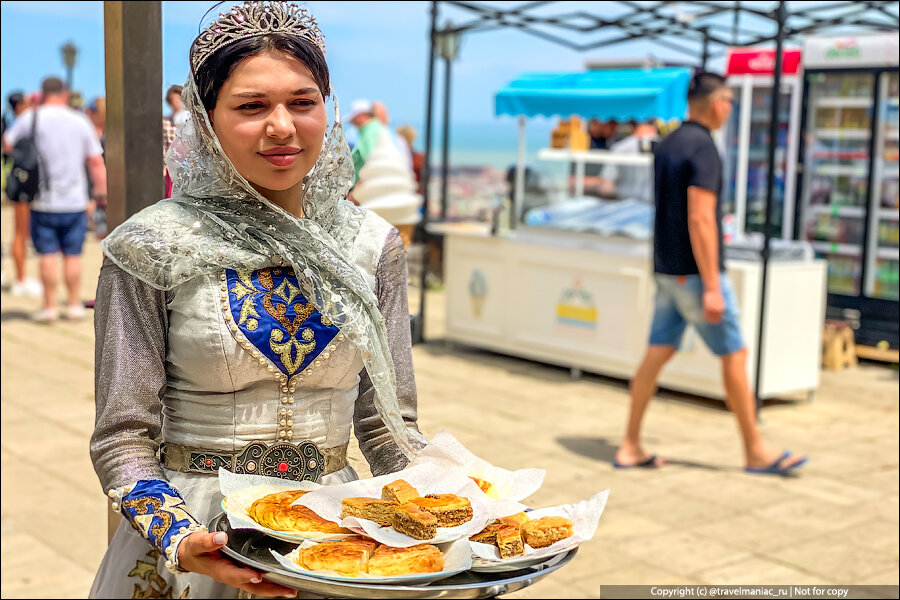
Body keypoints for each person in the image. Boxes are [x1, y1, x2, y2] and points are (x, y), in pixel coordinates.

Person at [88, 3, 426, 597]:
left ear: (329, 108)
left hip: (332, 539)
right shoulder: (151, 246)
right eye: (251, 107)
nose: (282, 126)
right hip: (197, 543)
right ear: (206, 119)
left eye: (302, 102)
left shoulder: (372, 246)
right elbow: (122, 437)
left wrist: (451, 513)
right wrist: (178, 536)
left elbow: (387, 427)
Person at [615, 72, 807, 476]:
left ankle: (630, 444)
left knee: (656, 354)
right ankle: (756, 450)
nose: (731, 109)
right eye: (730, 101)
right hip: (695, 275)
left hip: (667, 269)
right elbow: (702, 219)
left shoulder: (668, 143)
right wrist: (714, 287)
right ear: (717, 102)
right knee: (734, 355)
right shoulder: (704, 148)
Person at [2, 77, 106, 322]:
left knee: (47, 254)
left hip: (42, 199)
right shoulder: (79, 120)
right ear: (65, 94)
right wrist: (100, 196)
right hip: (75, 201)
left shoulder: (31, 118)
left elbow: (7, 144)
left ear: (44, 93)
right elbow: (95, 161)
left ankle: (49, 307)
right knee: (73, 254)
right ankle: (72, 305)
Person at [2, 91, 43, 297]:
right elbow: (7, 142)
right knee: (20, 231)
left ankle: (21, 277)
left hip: (20, 179)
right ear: (19, 105)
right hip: (22, 181)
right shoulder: (21, 121)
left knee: (21, 231)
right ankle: (20, 278)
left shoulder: (16, 121)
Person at [597, 119, 659, 204]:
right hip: (654, 206)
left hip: (625, 205)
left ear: (630, 127)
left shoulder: (619, 148)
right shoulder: (665, 147)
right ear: (655, 125)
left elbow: (606, 186)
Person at [347, 97, 383, 184]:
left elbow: (373, 165)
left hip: (365, 191)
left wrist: (356, 193)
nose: (353, 123)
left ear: (361, 115)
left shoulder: (370, 133)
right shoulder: (375, 129)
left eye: (353, 119)